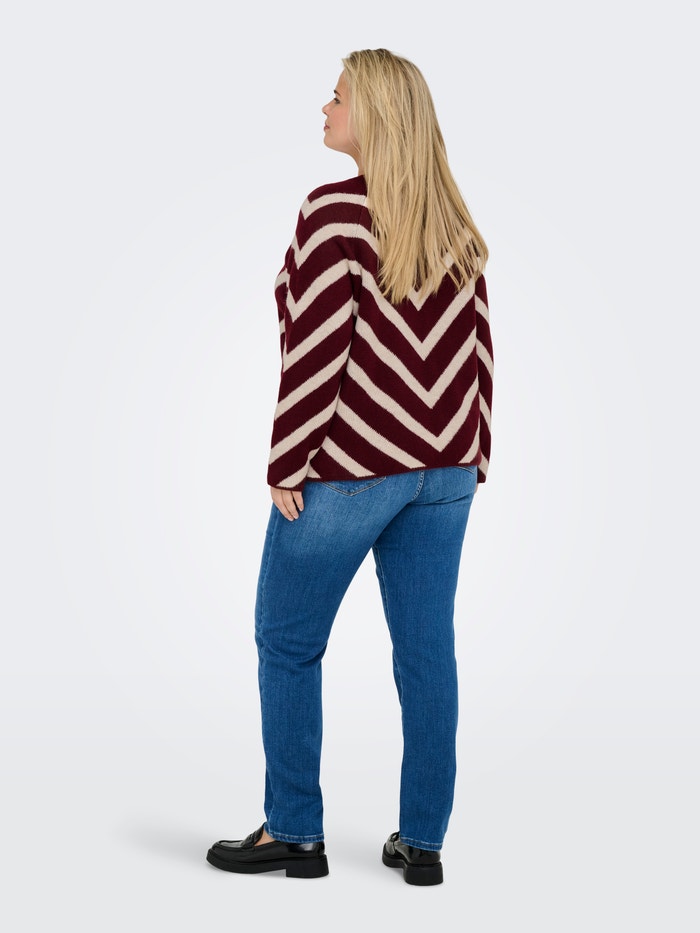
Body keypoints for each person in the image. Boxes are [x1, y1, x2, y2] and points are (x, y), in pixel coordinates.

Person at [206, 48, 493, 886]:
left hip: (352, 466)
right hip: (446, 469)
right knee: (427, 654)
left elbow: (318, 348)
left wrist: (287, 458)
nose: (325, 108)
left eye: (337, 97)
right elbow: (478, 350)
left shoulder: (334, 213)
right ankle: (423, 842)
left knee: (287, 639)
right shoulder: (453, 223)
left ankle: (295, 830)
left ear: (374, 115)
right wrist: (475, 451)